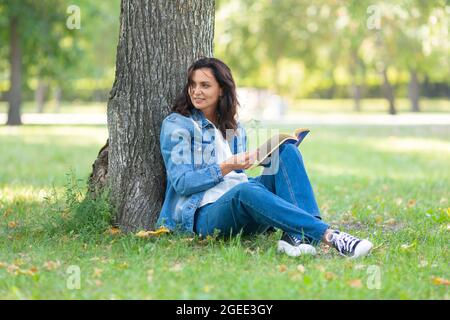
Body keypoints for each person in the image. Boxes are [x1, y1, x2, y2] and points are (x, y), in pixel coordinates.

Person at [157, 57, 373, 258]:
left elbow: (238, 177)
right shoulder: (178, 125)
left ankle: (296, 237)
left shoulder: (233, 126)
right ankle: (332, 237)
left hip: (243, 204)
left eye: (205, 85)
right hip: (205, 215)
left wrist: (257, 158)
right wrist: (228, 165)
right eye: (192, 85)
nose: (196, 91)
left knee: (286, 152)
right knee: (246, 190)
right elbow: (182, 183)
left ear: (222, 90)